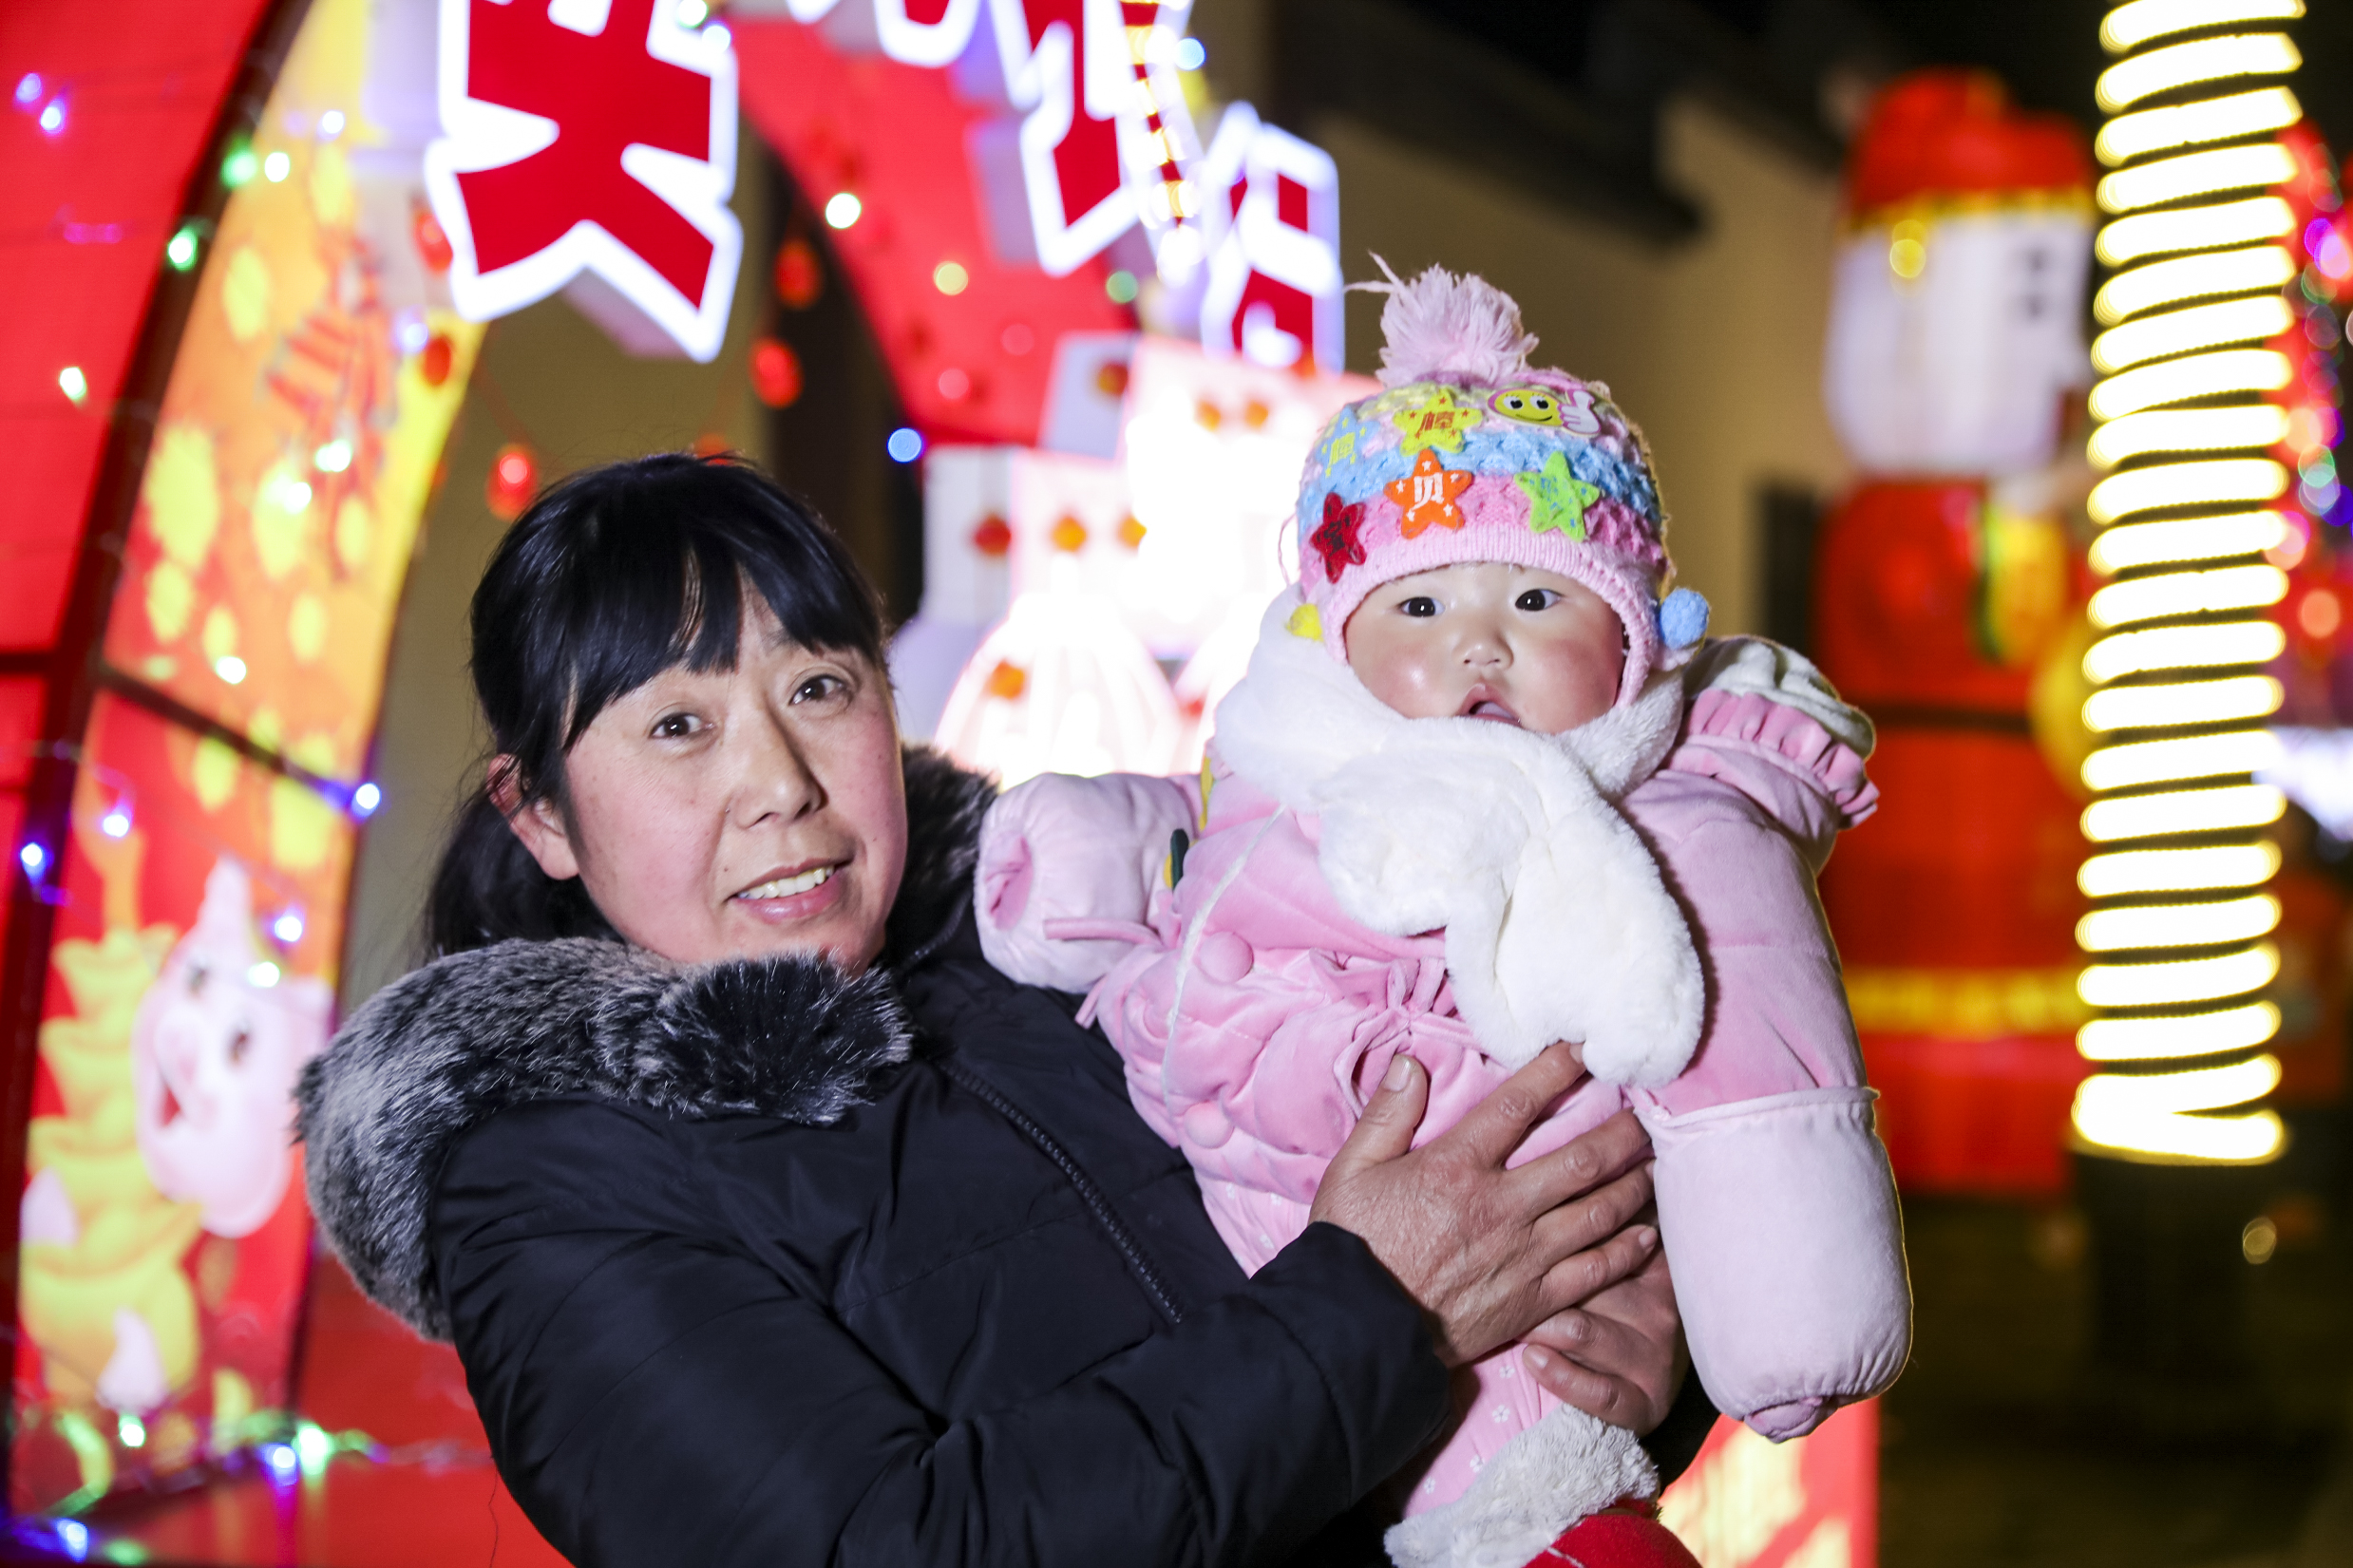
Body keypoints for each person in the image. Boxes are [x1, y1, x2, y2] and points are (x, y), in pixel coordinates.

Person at [293, 453, 1716, 1568]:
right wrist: (1376, 1312)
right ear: (539, 814)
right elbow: (876, 1548)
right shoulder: (545, 1184)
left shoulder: (1076, 945)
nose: (781, 783)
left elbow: (1515, 1188)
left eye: (818, 685)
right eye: (678, 726)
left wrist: (1643, 1350)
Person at [975, 268, 1912, 1568]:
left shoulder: (1676, 822)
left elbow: (1762, 1100)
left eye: (1536, 601)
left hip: (1501, 1321)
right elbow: (1201, 834)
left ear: (1633, 640)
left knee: (1517, 1509)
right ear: (1339, 634)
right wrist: (1079, 864)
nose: (1480, 648)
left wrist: (1788, 1331)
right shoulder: (1291, 740)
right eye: (1419, 605)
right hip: (1237, 1288)